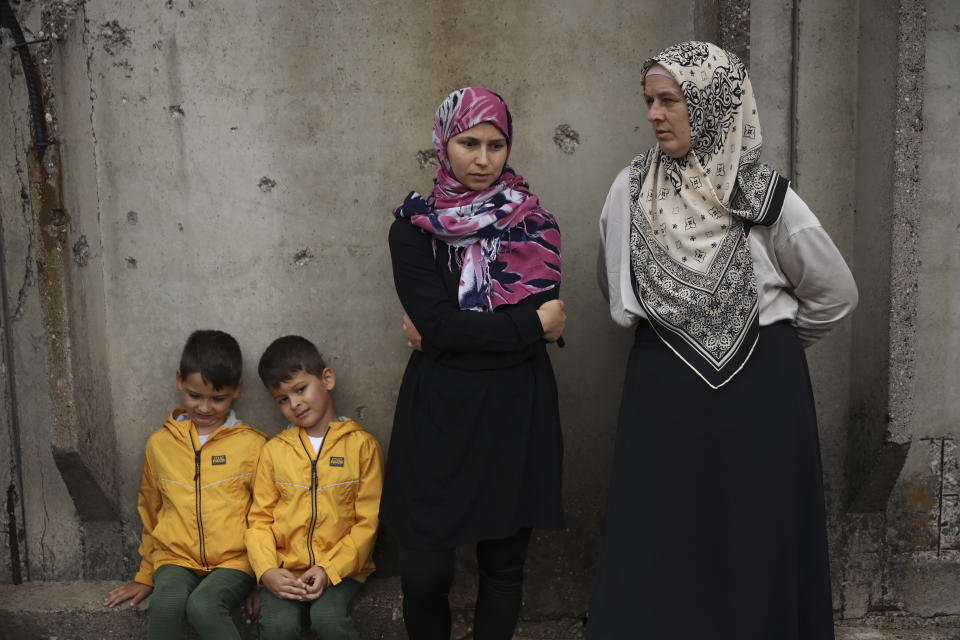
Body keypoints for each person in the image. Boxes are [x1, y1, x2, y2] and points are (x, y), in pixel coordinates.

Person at [589, 42, 858, 639]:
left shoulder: (767, 199)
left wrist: (776, 347)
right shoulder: (629, 190)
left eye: (671, 100)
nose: (656, 114)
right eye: (650, 101)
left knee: (753, 534)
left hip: (761, 397)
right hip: (662, 392)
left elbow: (835, 294)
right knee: (659, 535)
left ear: (713, 106)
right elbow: (613, 282)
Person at [383, 86, 566, 640]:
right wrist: (528, 327)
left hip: (516, 408)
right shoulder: (412, 229)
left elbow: (439, 330)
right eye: (469, 143)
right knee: (423, 571)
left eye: (495, 144)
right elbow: (452, 324)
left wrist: (443, 338)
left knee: (504, 565)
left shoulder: (536, 225)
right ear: (443, 144)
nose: (483, 159)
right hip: (438, 411)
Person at [103, 330, 266, 640]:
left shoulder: (253, 445)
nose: (205, 407)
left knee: (203, 606)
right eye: (195, 395)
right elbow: (151, 512)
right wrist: (145, 576)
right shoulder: (159, 445)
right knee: (166, 603)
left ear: (237, 390)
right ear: (179, 380)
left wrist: (263, 580)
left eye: (217, 398)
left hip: (235, 561)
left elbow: (267, 516)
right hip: (175, 558)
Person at [246, 335, 384, 640]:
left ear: (327, 378)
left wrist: (329, 569)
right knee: (279, 627)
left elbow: (367, 522)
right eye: (282, 399)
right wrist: (267, 571)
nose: (294, 403)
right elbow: (259, 521)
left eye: (300, 389)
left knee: (328, 618)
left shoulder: (362, 446)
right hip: (284, 569)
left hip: (341, 570)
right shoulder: (274, 451)